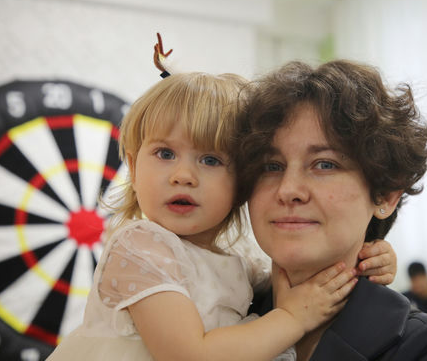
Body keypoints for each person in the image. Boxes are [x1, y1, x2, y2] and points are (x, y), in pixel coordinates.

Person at [47, 68, 397, 361]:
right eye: (165, 154)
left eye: (210, 160)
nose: (183, 175)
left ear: (243, 183)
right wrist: (292, 317)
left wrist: (368, 258)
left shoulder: (235, 262)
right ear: (134, 169)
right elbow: (189, 355)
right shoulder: (141, 248)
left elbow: (293, 277)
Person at [235, 60, 427, 360]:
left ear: (385, 195)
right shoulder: (214, 313)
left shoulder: (426, 344)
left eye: (324, 164)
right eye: (271, 166)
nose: (288, 190)